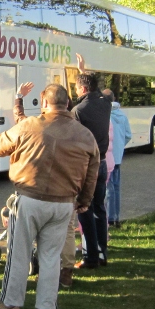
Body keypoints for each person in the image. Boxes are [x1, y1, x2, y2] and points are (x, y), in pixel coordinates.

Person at [0, 81, 99, 309]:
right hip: (63, 203)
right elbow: (93, 171)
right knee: (51, 256)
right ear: (67, 103)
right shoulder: (85, 134)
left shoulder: (29, 126)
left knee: (19, 253)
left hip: (29, 198)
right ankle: (47, 308)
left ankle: (11, 303)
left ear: (45, 103)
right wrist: (84, 201)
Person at [70, 55, 111, 270]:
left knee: (84, 208)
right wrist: (83, 70)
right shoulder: (106, 104)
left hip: (87, 165)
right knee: (99, 209)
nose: (75, 92)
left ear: (83, 90)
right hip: (103, 162)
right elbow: (99, 91)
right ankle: (102, 253)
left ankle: (90, 257)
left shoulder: (78, 111)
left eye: (76, 88)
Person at [102, 89, 131, 225]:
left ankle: (110, 217)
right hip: (118, 156)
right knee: (116, 187)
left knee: (108, 188)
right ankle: (116, 217)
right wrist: (120, 147)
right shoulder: (122, 115)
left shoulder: (106, 115)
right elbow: (128, 135)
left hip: (108, 156)